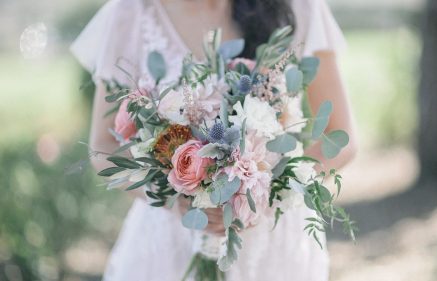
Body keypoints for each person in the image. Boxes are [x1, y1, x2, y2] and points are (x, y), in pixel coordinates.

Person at [71, 0, 357, 280]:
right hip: (171, 243)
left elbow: (341, 137)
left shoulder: (298, 7)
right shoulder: (132, 12)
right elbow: (102, 147)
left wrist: (264, 196)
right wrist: (172, 199)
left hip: (271, 244)